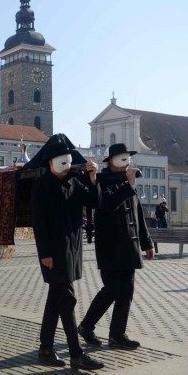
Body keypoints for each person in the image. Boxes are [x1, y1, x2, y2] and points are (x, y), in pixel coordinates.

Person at [31, 141, 104, 370]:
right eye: (60, 161)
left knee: (55, 300)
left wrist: (92, 178)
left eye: (68, 161)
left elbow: (95, 201)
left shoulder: (74, 182)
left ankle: (45, 348)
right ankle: (76, 353)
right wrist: (45, 254)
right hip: (53, 253)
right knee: (67, 300)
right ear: (50, 163)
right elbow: (39, 223)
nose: (65, 166)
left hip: (72, 250)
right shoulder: (41, 185)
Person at [78, 143, 154, 350]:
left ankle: (117, 335)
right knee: (112, 289)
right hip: (110, 246)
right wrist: (128, 186)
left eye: (127, 159)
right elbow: (106, 204)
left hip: (130, 247)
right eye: (120, 159)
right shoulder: (101, 181)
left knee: (126, 292)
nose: (125, 163)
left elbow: (138, 215)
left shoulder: (128, 183)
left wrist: (147, 243)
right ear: (111, 162)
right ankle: (86, 326)